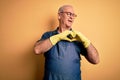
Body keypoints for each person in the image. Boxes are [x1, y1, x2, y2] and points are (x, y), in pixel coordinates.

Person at [34, 5, 99, 80]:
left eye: (73, 15)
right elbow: (37, 50)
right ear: (59, 15)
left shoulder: (77, 38)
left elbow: (96, 60)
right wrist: (58, 37)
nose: (71, 17)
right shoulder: (48, 35)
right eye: (69, 14)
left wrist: (86, 41)